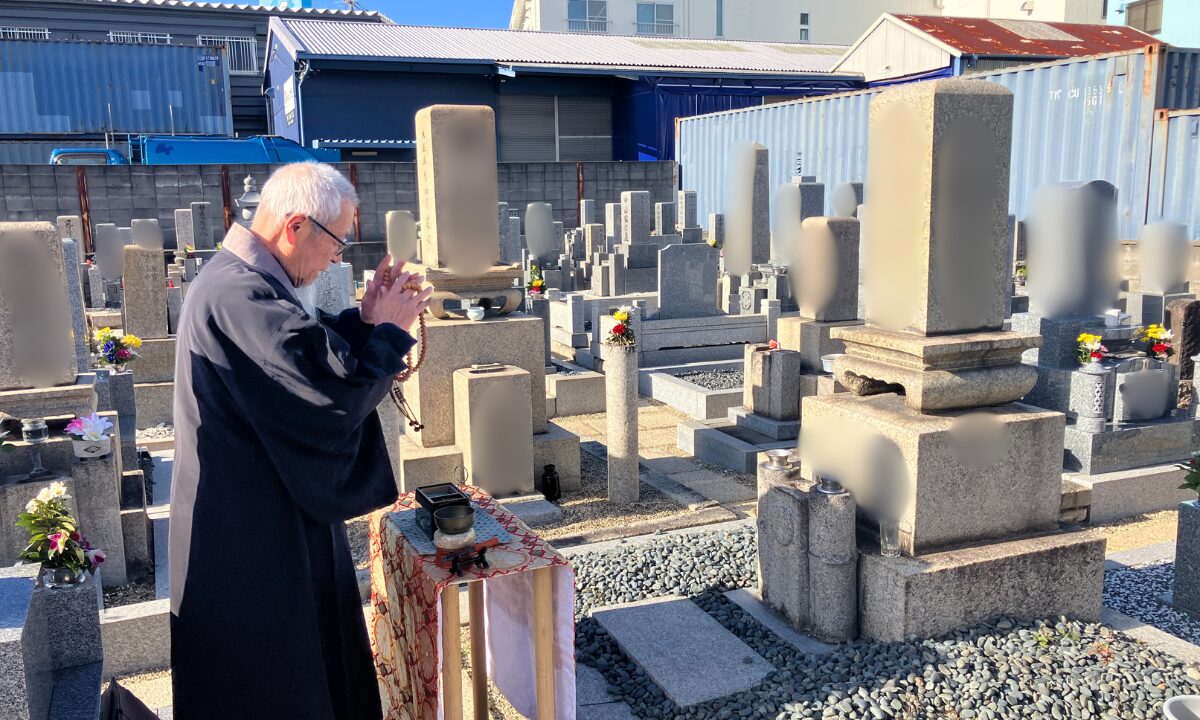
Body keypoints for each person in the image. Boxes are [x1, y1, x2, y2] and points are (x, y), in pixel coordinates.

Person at [169, 162, 432, 719]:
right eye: (336, 241)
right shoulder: (239, 294)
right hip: (249, 533)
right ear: (295, 227)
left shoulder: (245, 281)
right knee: (277, 684)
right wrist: (388, 335)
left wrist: (364, 321)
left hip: (263, 513)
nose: (339, 257)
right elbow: (325, 400)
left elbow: (304, 351)